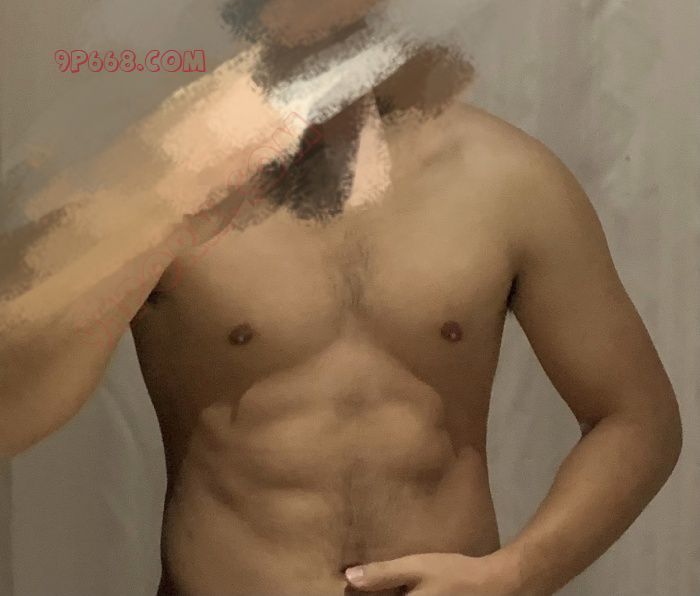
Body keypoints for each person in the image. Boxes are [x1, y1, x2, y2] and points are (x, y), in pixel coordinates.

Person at [0, 1, 683, 594]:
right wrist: (161, 197)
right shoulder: (146, 180)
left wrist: (517, 575)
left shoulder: (507, 179)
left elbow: (636, 418)